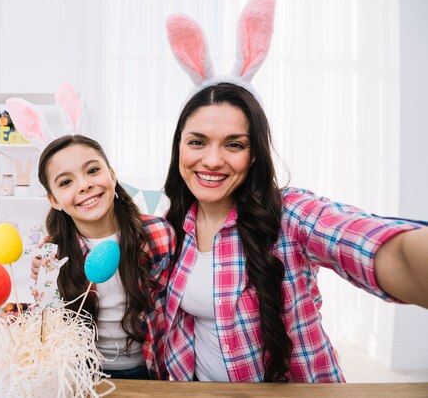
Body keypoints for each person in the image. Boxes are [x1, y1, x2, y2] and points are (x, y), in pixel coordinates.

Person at [162, 81, 428, 383]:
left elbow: (373, 245)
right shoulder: (171, 226)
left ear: (254, 156)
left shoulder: (291, 214)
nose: (211, 160)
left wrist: (407, 252)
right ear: (179, 147)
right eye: (197, 142)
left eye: (234, 144)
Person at [30, 134, 176, 380]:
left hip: (150, 369)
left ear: (112, 174)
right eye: (66, 182)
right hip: (82, 373)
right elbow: (46, 323)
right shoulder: (53, 255)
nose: (84, 185)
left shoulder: (159, 234)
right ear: (54, 200)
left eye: (93, 170)